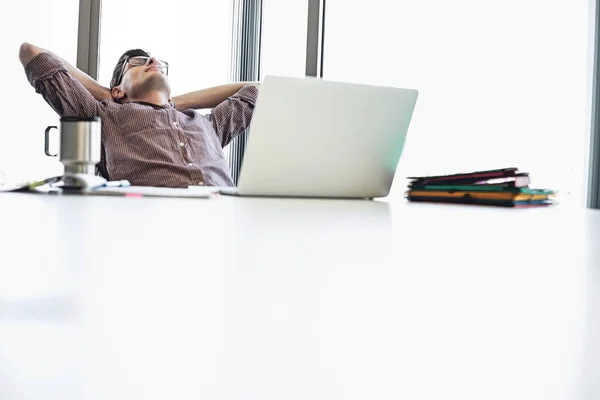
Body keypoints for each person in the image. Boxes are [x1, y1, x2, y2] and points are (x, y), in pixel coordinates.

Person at [19, 42, 260, 188]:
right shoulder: (104, 114)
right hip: (150, 225)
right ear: (117, 89)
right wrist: (108, 94)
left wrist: (172, 102)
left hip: (226, 217)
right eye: (138, 63)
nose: (153, 61)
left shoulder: (207, 125)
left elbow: (257, 89)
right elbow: (32, 52)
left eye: (156, 64)